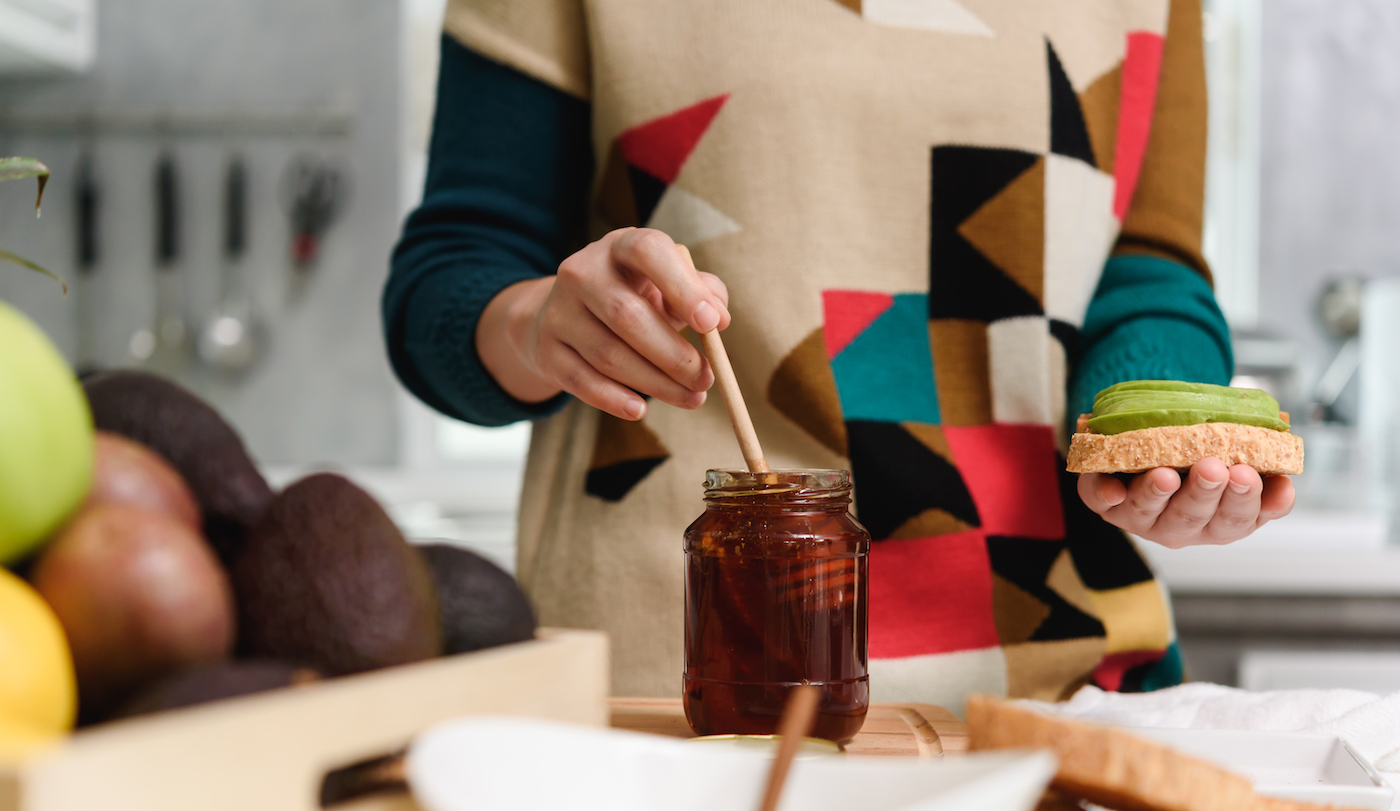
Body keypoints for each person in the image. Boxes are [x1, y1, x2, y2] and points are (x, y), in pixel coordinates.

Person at [383, 0, 1294, 710]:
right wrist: (541, 325)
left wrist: (1154, 434)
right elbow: (454, 274)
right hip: (681, 685)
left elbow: (1145, 267)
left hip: (1056, 687)